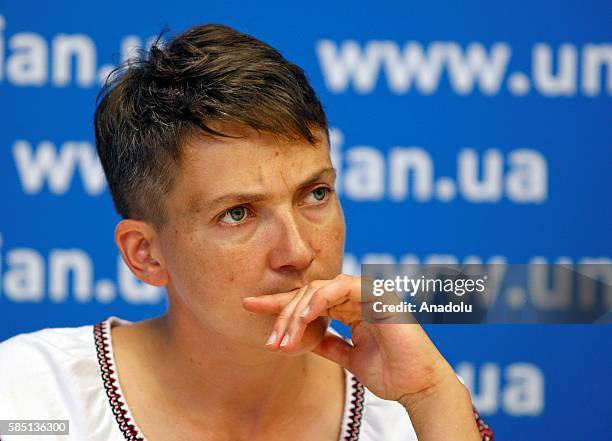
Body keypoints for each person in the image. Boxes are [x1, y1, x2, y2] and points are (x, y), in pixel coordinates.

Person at [0, 24, 493, 441]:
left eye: (315, 194)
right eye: (238, 213)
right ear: (146, 254)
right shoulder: (27, 398)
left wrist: (431, 396)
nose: (298, 253)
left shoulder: (414, 413)